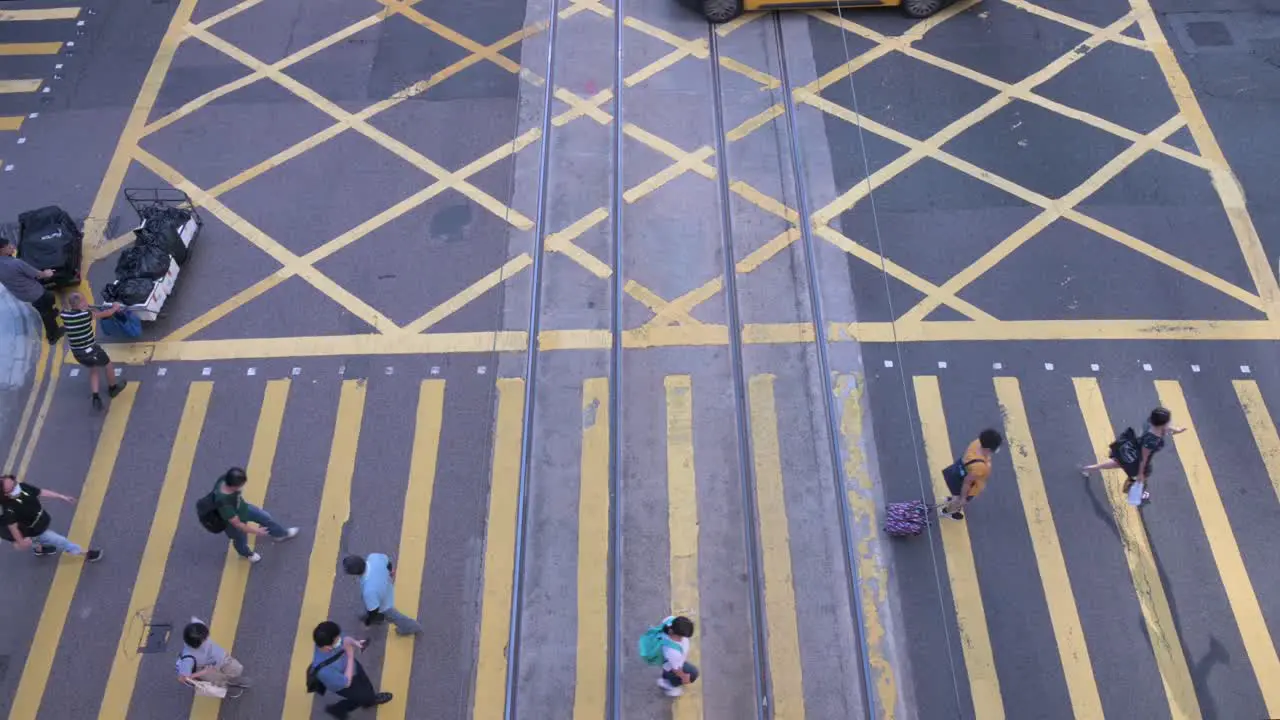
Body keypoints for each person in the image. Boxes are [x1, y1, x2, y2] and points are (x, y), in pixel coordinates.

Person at [1081, 407, 1185, 502]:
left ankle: (1090, 468)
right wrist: (1140, 473)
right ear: (1162, 424)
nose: (1170, 423)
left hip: (1131, 450)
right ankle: (1135, 491)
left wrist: (1176, 430)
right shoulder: (1152, 441)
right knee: (1142, 477)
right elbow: (1143, 458)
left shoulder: (1150, 423)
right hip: (1137, 459)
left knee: (1118, 462)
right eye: (1168, 421)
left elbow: (1164, 428)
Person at [0, 473, 101, 561]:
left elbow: (40, 492)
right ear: (5, 494)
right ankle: (85, 553)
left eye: (14, 482)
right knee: (60, 541)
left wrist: (61, 496)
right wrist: (21, 542)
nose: (16, 486)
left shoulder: (22, 487)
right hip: (34, 530)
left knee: (35, 540)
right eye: (12, 487)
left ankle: (39, 550)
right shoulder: (9, 509)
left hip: (40, 521)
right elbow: (12, 528)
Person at [212, 467, 298, 563]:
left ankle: (280, 534)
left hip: (242, 508)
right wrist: (256, 531)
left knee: (265, 518)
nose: (242, 487)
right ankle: (247, 554)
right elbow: (238, 524)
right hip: (232, 522)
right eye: (240, 485)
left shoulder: (224, 480)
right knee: (240, 538)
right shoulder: (225, 505)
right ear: (233, 486)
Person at [310, 620, 392, 718]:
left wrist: (355, 642)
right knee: (359, 697)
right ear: (328, 647)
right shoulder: (325, 671)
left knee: (366, 689)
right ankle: (337, 709)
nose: (340, 639)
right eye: (337, 639)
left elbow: (344, 640)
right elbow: (346, 683)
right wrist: (350, 655)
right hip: (344, 682)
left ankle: (369, 700)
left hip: (353, 668)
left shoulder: (327, 640)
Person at [59, 293, 127, 411]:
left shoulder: (65, 315)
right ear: (79, 304)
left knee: (93, 368)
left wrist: (84, 307)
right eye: (84, 301)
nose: (86, 302)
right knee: (108, 365)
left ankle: (96, 397)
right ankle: (113, 388)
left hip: (77, 353)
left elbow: (68, 308)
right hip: (90, 351)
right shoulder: (85, 315)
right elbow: (105, 314)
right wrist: (115, 308)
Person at [0, 236, 63, 344]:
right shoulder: (16, 263)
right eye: (8, 246)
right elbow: (39, 275)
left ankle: (51, 313)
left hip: (21, 294)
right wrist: (48, 273)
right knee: (46, 309)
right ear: (1, 250)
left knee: (47, 301)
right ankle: (53, 334)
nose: (12, 247)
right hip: (36, 293)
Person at [342, 554, 422, 636]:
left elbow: (374, 610)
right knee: (366, 610)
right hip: (385, 586)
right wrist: (390, 571)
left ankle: (411, 627)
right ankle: (379, 619)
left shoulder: (369, 591)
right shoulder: (373, 557)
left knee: (394, 617)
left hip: (384, 603)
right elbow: (388, 563)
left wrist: (368, 623)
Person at [176, 617, 250, 695]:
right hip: (207, 669)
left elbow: (194, 619)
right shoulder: (188, 659)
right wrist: (203, 672)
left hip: (221, 658)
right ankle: (228, 687)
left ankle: (231, 681)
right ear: (196, 644)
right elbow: (182, 678)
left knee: (236, 669)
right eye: (205, 639)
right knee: (220, 681)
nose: (207, 638)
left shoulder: (198, 627)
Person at [941, 429, 1003, 520]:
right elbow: (967, 482)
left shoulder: (977, 443)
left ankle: (953, 499)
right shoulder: (979, 466)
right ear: (989, 449)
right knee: (958, 500)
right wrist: (963, 498)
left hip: (956, 472)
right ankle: (948, 511)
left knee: (956, 495)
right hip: (964, 482)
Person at [657, 615, 699, 697]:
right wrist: (684, 677)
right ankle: (670, 686)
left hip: (668, 661)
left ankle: (665, 680)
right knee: (693, 673)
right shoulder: (673, 652)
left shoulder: (669, 621)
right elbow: (676, 669)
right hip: (671, 665)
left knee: (667, 671)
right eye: (682, 636)